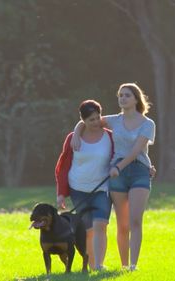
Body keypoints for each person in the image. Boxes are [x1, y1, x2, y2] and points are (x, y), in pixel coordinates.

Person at [71, 83, 155, 271]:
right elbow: (86, 120)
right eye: (120, 95)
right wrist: (76, 134)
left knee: (135, 220)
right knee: (122, 223)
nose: (122, 98)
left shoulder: (148, 124)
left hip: (139, 171)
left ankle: (133, 265)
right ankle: (124, 265)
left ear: (136, 99)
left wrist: (118, 166)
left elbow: (136, 151)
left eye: (127, 95)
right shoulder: (113, 120)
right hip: (117, 175)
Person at [55, 100, 114, 271]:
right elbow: (63, 165)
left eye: (98, 118)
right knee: (88, 229)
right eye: (91, 120)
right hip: (78, 189)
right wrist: (61, 193)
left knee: (101, 224)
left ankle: (99, 265)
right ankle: (91, 263)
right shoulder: (73, 138)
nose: (96, 122)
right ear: (83, 120)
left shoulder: (110, 136)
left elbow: (125, 152)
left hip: (102, 189)